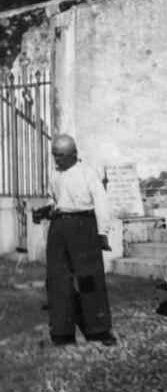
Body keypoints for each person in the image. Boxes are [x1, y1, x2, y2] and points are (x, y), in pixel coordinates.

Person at [35, 134, 116, 347]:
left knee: (89, 278)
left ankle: (99, 330)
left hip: (83, 225)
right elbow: (55, 199)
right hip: (59, 226)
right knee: (58, 278)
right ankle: (62, 332)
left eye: (61, 156)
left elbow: (101, 202)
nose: (57, 160)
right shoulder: (54, 174)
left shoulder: (87, 173)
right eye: (54, 156)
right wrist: (46, 209)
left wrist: (102, 232)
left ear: (73, 154)